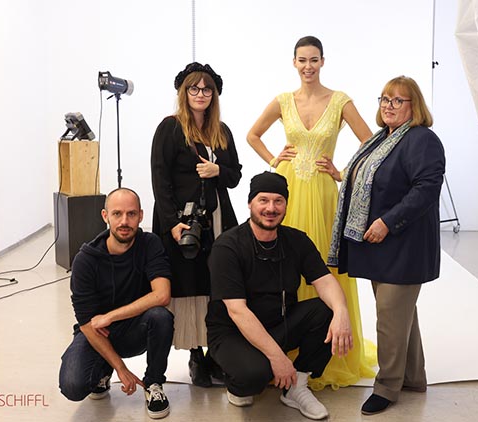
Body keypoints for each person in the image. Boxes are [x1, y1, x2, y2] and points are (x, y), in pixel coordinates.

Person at [246, 35, 375, 390]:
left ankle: (327, 353)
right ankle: (287, 348)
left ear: (323, 61)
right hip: (288, 191)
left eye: (314, 60)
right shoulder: (283, 101)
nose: (308, 66)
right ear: (293, 62)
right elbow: (252, 135)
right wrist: (274, 160)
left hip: (321, 195)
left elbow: (372, 143)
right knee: (286, 266)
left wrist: (343, 173)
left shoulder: (339, 101)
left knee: (323, 267)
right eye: (302, 60)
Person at [328, 76, 445, 415]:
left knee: (390, 318)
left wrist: (387, 222)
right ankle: (413, 377)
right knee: (400, 315)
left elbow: (425, 189)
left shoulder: (422, 140)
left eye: (398, 101)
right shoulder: (382, 140)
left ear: (415, 107)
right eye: (385, 99)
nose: (389, 106)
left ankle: (387, 386)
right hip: (381, 246)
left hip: (403, 244)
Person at [205, 172, 353, 420]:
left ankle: (297, 387)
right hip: (234, 331)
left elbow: (325, 281)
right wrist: (277, 358)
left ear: (286, 204)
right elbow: (237, 311)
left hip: (279, 324)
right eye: (263, 200)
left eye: (278, 201)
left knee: (327, 311)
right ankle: (230, 369)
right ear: (250, 203)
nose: (271, 208)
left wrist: (342, 313)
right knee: (254, 377)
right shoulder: (227, 247)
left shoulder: (297, 240)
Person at [151, 62, 242, 387]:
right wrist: (172, 223)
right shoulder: (170, 128)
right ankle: (196, 355)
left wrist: (218, 172)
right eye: (194, 88)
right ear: (184, 92)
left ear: (214, 94)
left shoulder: (222, 131)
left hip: (219, 222)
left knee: (218, 285)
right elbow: (160, 180)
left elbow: (234, 175)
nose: (200, 94)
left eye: (206, 89)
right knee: (190, 284)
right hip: (184, 223)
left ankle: (218, 353)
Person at [58, 187, 173, 419]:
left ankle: (154, 385)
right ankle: (103, 370)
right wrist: (121, 368)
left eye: (131, 214)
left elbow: (162, 295)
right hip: (98, 332)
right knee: (73, 385)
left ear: (141, 216)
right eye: (117, 214)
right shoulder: (85, 260)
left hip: (134, 329)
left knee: (161, 316)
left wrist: (111, 316)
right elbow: (87, 324)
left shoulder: (150, 244)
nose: (124, 221)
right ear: (105, 216)